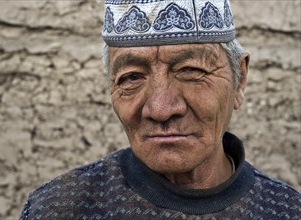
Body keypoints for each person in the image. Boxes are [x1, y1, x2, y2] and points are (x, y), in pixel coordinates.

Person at [20, 0, 301, 219]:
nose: (161, 109)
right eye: (132, 77)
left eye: (191, 70)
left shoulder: (286, 211)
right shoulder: (58, 209)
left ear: (239, 79)